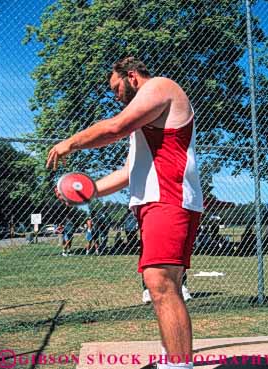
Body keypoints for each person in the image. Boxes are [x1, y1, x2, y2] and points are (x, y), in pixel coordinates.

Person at [47, 57, 203, 369]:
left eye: (116, 88)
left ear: (131, 76)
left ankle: (178, 365)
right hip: (159, 202)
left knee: (160, 284)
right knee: (162, 286)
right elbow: (130, 172)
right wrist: (87, 190)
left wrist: (69, 144)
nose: (115, 95)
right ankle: (176, 360)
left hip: (168, 200)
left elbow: (115, 127)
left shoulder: (161, 86)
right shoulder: (146, 126)